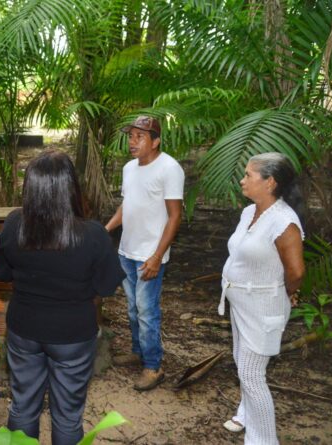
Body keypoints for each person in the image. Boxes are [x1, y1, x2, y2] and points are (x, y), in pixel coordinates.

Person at [0, 150, 124, 444]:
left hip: (24, 328)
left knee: (23, 405)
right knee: (67, 415)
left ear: (30, 188)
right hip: (73, 334)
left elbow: (1, 273)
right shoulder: (93, 234)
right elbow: (106, 287)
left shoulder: (14, 224)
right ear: (71, 187)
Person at [219, 153, 305, 444]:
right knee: (241, 359)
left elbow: (296, 271)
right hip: (241, 303)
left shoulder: (284, 222)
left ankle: (264, 440)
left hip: (263, 308)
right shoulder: (250, 212)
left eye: (249, 175)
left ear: (270, 183)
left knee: (252, 374)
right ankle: (246, 413)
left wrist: (288, 292)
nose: (242, 180)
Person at [104, 115, 184, 391]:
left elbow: (175, 217)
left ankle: (153, 366)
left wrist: (157, 256)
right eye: (131, 136)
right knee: (132, 308)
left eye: (140, 137)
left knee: (147, 311)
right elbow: (127, 207)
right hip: (127, 250)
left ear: (156, 141)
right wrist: (106, 230)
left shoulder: (169, 169)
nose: (133, 141)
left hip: (150, 253)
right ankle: (138, 351)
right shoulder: (129, 168)